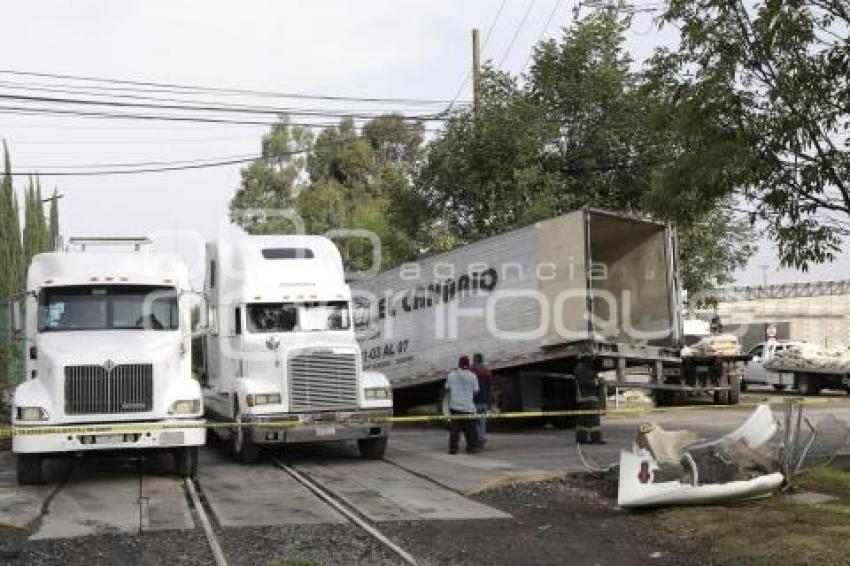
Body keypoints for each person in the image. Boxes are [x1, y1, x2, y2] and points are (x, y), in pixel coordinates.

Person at [445, 355, 480, 454]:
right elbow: (476, 391)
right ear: (468, 365)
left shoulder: (451, 375)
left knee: (455, 430)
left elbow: (447, 388)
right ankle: (472, 447)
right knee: (471, 430)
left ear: (459, 364)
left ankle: (453, 449)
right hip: (468, 407)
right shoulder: (473, 376)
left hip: (455, 406)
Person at [471, 353, 492, 447]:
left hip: (473, 400)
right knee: (482, 421)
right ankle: (482, 437)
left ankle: (479, 438)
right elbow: (488, 389)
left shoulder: (470, 371)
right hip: (484, 400)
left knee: (473, 421)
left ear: (474, 360)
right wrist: (489, 402)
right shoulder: (487, 371)